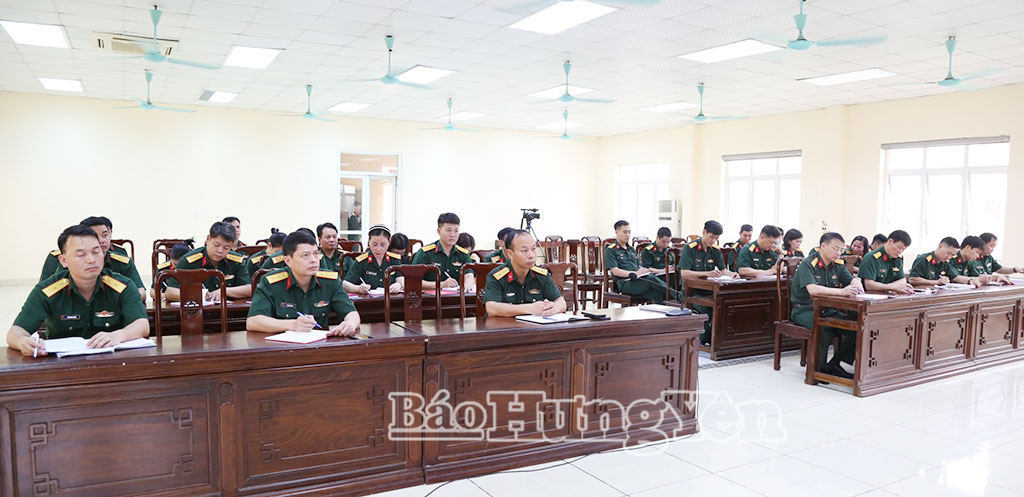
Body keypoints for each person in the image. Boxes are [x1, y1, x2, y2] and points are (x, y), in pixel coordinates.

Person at [7, 225, 149, 356]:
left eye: (96, 252)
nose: (91, 260)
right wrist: (22, 342)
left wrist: (117, 336)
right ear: (64, 261)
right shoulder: (47, 291)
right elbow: (15, 332)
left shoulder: (123, 286)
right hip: (62, 365)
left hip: (112, 360)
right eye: (81, 255)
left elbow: (142, 325)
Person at [246, 230, 360, 336]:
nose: (313, 260)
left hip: (320, 345)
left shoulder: (330, 281)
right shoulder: (271, 282)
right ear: (288, 261)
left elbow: (351, 313)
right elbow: (253, 321)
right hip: (284, 346)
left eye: (315, 254)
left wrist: (350, 324)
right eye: (305, 255)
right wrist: (293, 325)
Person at [790, 232, 864, 379]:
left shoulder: (838, 265)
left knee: (856, 329)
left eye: (841, 250)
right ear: (823, 246)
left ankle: (832, 365)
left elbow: (851, 280)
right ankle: (819, 369)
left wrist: (856, 282)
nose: (838, 253)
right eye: (835, 248)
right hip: (804, 309)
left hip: (826, 309)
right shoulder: (808, 263)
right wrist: (841, 292)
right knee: (824, 328)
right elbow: (812, 290)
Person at [39, 216, 147, 303]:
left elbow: (141, 292)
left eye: (105, 235)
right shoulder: (67, 261)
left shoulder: (122, 261)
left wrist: (119, 301)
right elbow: (46, 294)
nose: (102, 240)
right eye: (96, 236)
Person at [484, 230, 566, 317]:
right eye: (524, 250)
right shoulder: (497, 276)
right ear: (510, 253)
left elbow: (561, 302)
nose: (531, 255)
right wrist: (529, 308)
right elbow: (491, 308)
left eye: (533, 249)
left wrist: (553, 309)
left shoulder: (542, 275)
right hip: (504, 325)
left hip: (534, 325)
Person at [678, 220, 736, 346]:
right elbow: (684, 273)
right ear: (704, 232)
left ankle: (716, 340)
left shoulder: (715, 250)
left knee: (725, 305)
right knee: (709, 307)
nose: (713, 241)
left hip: (709, 290)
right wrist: (707, 273)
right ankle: (704, 340)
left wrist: (732, 274)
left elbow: (723, 270)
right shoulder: (690, 248)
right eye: (711, 237)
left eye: (716, 238)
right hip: (691, 292)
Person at [166, 221, 251, 301]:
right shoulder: (189, 261)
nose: (220, 251)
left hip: (229, 309)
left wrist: (224, 291)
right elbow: (170, 292)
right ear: (208, 239)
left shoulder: (236, 261)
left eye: (226, 248)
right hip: (197, 310)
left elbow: (249, 289)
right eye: (216, 245)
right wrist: (197, 295)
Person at [605, 220, 681, 305]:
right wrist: (634, 273)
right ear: (617, 232)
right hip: (625, 283)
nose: (628, 235)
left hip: (639, 280)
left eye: (629, 232)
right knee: (650, 279)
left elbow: (638, 266)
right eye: (625, 232)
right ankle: (679, 297)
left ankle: (667, 311)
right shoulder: (611, 250)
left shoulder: (631, 250)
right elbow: (615, 270)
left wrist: (644, 270)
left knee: (658, 294)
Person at [411, 213, 475, 290]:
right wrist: (441, 284)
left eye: (456, 231)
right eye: (448, 230)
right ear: (439, 231)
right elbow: (413, 281)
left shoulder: (463, 254)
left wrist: (468, 284)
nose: (452, 235)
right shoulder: (425, 253)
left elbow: (469, 275)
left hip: (456, 296)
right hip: (430, 296)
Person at [344, 225, 405, 294]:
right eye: (374, 244)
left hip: (391, 298)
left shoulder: (394, 259)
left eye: (383, 245)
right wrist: (358, 288)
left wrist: (398, 285)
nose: (378, 249)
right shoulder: (362, 261)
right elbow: (345, 284)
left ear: (389, 242)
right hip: (369, 299)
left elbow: (401, 280)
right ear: (369, 242)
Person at [908, 237, 982, 287]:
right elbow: (913, 279)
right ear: (940, 246)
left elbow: (955, 277)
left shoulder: (945, 263)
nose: (949, 257)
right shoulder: (923, 259)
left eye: (952, 255)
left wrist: (970, 281)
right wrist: (936, 282)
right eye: (948, 253)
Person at [858, 230, 914, 294]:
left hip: (889, 296)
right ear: (890, 241)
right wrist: (892, 287)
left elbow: (902, 280)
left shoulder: (897, 259)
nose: (900, 251)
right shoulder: (871, 257)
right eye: (899, 247)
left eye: (903, 249)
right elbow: (868, 285)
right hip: (870, 296)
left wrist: (893, 287)